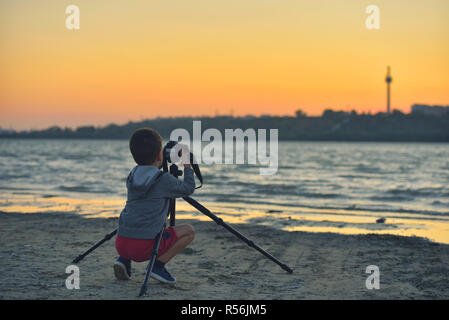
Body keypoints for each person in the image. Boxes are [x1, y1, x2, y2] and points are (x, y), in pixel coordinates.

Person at [113, 128, 195, 284]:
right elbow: (188, 188)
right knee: (189, 231)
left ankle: (123, 260)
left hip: (121, 243)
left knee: (138, 219)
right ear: (159, 154)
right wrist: (187, 166)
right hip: (144, 248)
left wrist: (159, 161)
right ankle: (157, 266)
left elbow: (150, 174)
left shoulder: (132, 174)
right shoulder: (164, 180)